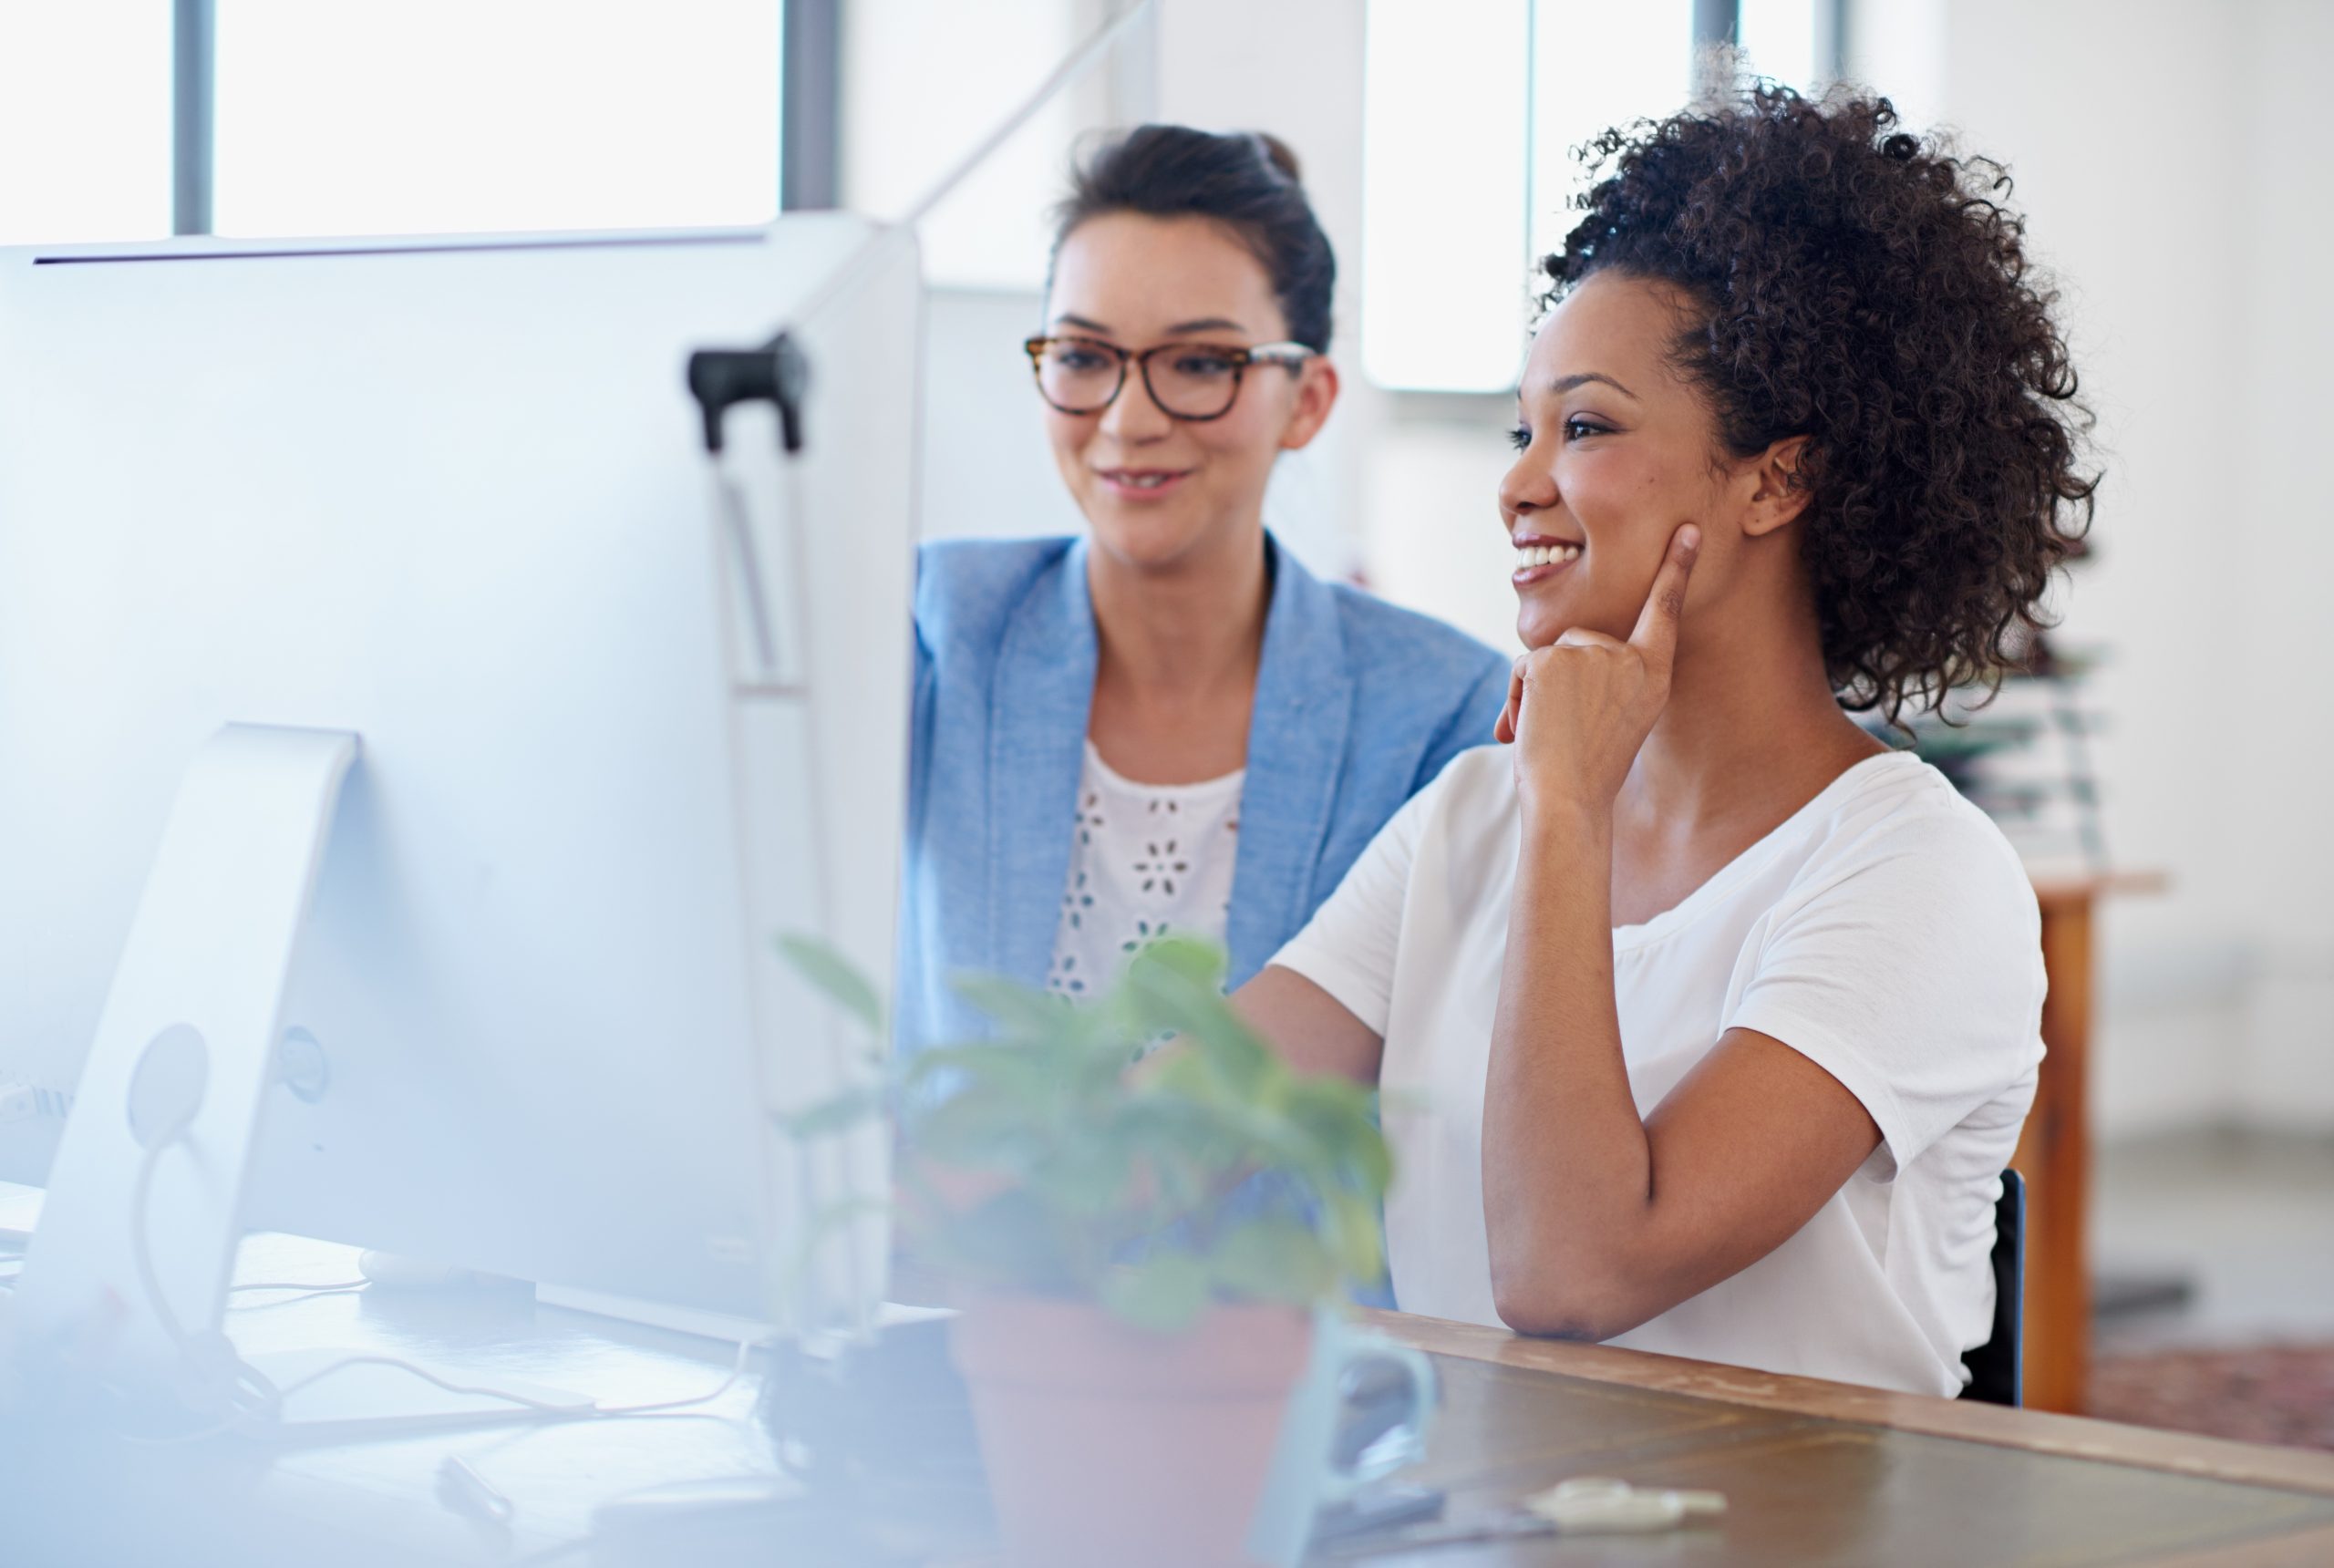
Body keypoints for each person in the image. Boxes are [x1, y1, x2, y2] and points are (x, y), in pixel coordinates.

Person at [1240, 85, 2095, 1396]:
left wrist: (1570, 811)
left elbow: (1573, 1274)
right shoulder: (1468, 820)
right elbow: (1176, 1127)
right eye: (1520, 428)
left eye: (1583, 427)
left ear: (1775, 478)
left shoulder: (1918, 878)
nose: (1519, 481)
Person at [897, 125, 1511, 1053]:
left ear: (1306, 400)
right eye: (1082, 356)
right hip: (949, 1203)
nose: (1128, 418)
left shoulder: (1440, 710)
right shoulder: (934, 628)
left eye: (1197, 364)